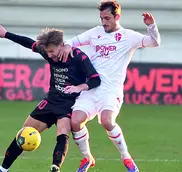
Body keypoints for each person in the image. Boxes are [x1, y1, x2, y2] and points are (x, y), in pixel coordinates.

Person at [59, 1, 161, 172]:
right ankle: (87, 158)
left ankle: (126, 158)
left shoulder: (129, 36)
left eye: (107, 18)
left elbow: (154, 42)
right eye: (101, 18)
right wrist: (68, 45)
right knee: (75, 121)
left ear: (117, 17)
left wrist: (152, 26)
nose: (103, 22)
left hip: (111, 90)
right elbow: (73, 40)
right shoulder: (95, 33)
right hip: (90, 87)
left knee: (107, 120)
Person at [0, 24, 101, 172]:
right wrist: (6, 34)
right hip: (51, 100)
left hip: (69, 103)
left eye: (52, 51)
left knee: (62, 131)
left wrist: (79, 88)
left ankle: (55, 168)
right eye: (47, 52)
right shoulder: (48, 52)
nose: (50, 55)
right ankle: (2, 169)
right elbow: (29, 43)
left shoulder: (78, 57)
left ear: (61, 45)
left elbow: (95, 79)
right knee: (24, 132)